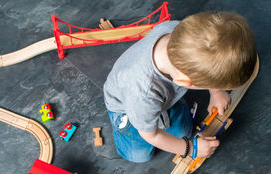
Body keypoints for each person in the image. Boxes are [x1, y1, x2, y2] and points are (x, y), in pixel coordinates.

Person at [103, 11, 257, 163]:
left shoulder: (182, 33)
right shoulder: (142, 93)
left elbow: (210, 58)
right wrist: (191, 149)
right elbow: (151, 135)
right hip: (126, 109)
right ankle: (123, 134)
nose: (215, 88)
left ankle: (166, 109)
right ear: (184, 81)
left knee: (184, 132)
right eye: (213, 85)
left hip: (162, 98)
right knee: (139, 155)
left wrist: (216, 92)